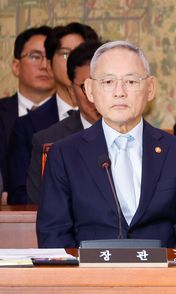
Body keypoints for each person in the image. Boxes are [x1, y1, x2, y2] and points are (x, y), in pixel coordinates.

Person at [37, 40, 176, 248]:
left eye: (131, 81)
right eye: (108, 82)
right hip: (89, 277)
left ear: (150, 88)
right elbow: (54, 235)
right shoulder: (64, 154)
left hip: (162, 275)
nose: (120, 92)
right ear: (90, 90)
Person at [7, 22, 100, 204]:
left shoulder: (123, 122)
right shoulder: (34, 130)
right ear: (49, 65)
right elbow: (23, 195)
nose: (75, 58)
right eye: (66, 53)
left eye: (80, 51)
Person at [26, 41, 103, 204]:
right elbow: (41, 208)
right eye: (86, 87)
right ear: (72, 93)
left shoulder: (140, 136)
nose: (94, 96)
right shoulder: (49, 142)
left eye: (104, 84)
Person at [0, 26, 55, 193]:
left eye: (50, 58)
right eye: (35, 56)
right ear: (16, 66)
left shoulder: (71, 116)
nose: (44, 65)